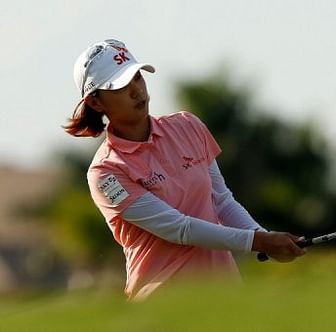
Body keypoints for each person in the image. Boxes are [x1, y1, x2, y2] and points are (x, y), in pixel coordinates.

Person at [64, 39, 306, 300]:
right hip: (161, 301)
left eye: (137, 78)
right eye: (121, 86)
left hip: (225, 293)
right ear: (96, 103)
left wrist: (265, 239)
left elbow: (221, 201)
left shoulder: (188, 126)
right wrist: (258, 242)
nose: (136, 91)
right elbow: (178, 229)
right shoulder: (106, 172)